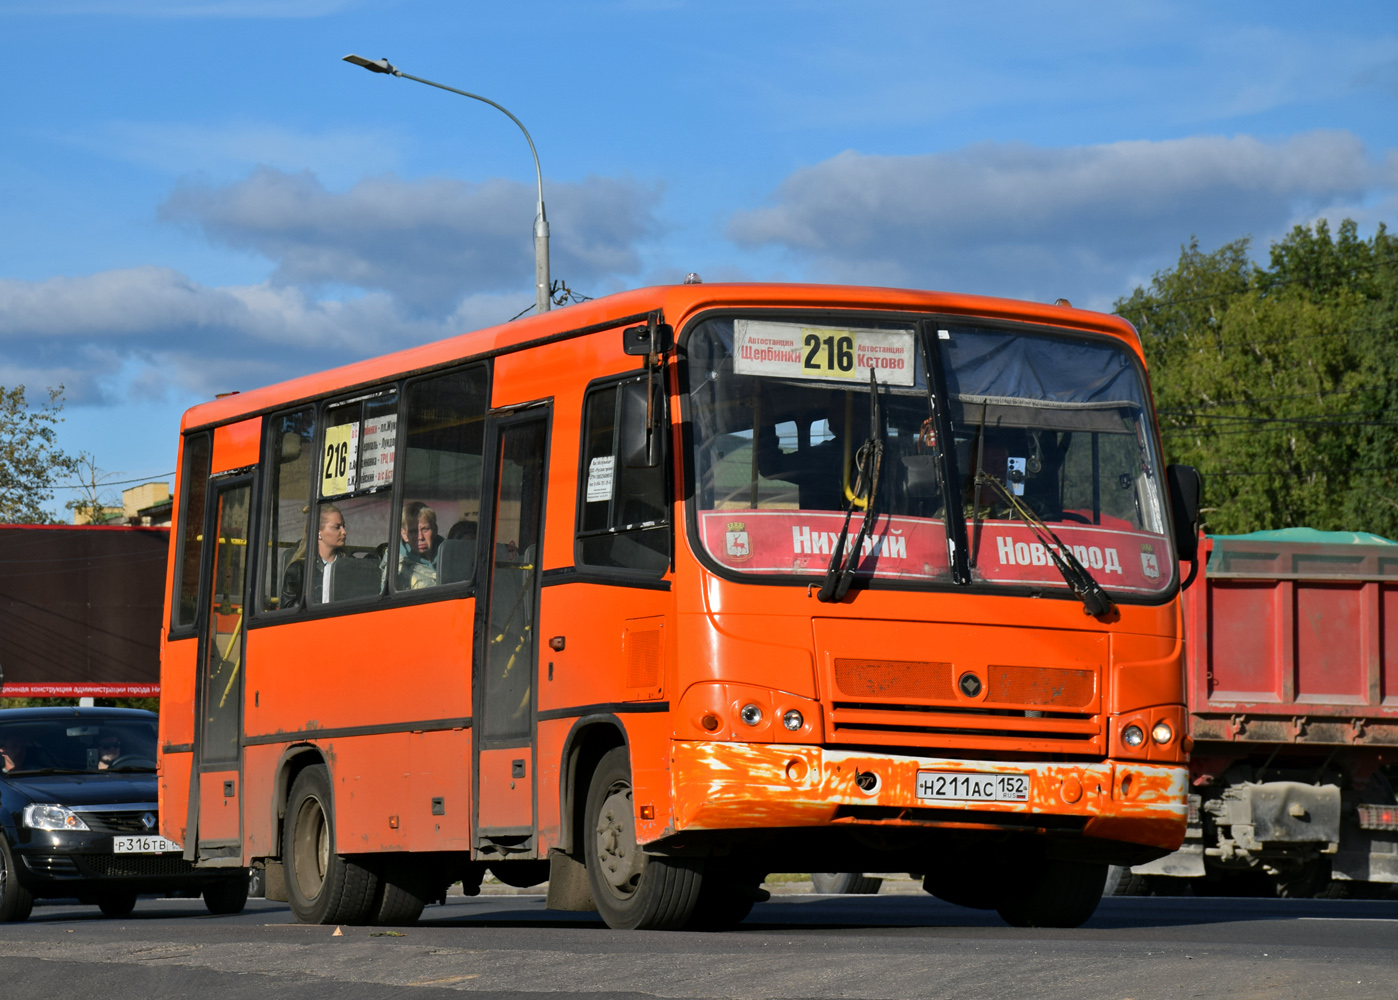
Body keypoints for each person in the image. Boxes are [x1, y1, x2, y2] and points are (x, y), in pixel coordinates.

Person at [281, 503, 347, 607]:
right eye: (337, 527)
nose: (344, 532)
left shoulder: (350, 566)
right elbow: (287, 610)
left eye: (344, 526)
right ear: (318, 532)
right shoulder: (298, 569)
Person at [391, 501, 440, 590]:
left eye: (425, 529)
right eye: (413, 532)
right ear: (404, 535)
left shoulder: (452, 557)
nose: (420, 537)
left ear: (435, 530)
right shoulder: (395, 569)